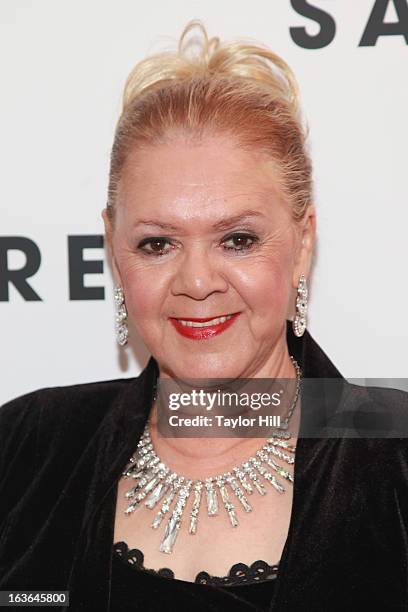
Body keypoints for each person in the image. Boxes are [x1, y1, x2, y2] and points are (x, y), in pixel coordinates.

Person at [1, 19, 407, 612]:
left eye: (238, 240)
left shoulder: (396, 451)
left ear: (303, 244)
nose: (196, 283)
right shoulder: (27, 447)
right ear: (113, 248)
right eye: (157, 244)